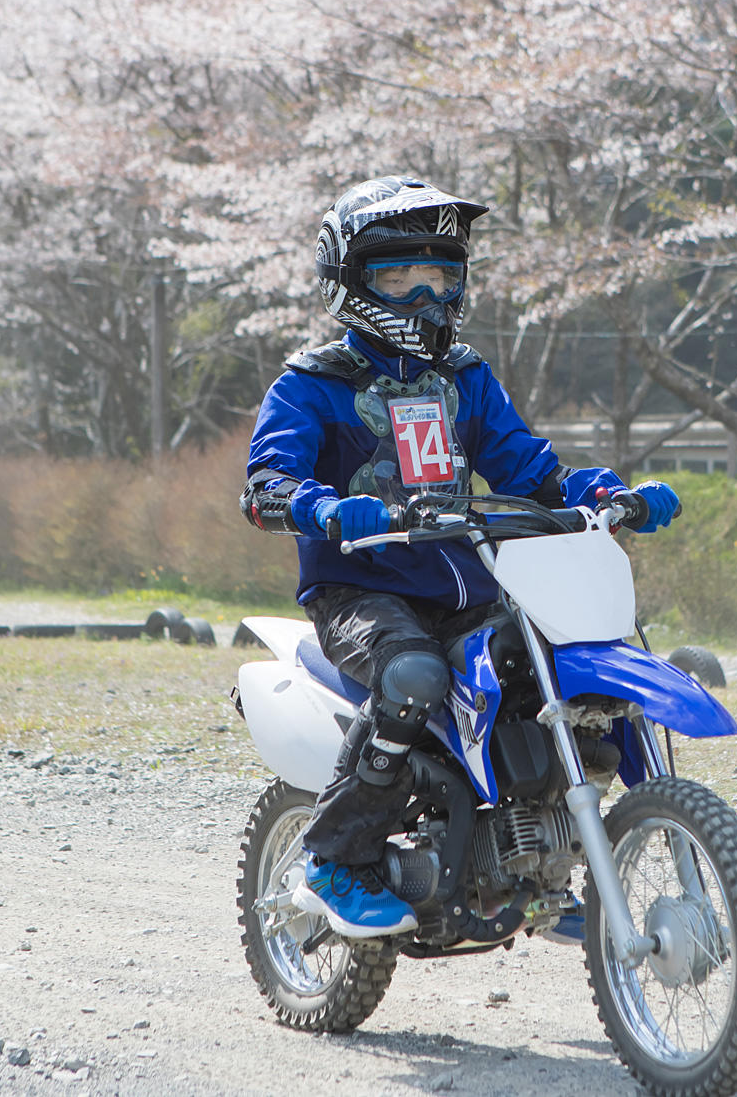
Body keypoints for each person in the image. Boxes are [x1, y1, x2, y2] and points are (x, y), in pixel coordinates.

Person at [241, 174, 682, 937]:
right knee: (414, 675)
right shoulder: (312, 384)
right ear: (350, 279)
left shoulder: (466, 378)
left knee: (567, 666)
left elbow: (531, 473)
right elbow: (264, 485)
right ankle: (335, 857)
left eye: (442, 276)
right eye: (401, 277)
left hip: (473, 579)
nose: (427, 298)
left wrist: (607, 490)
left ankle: (539, 856)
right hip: (360, 589)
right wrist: (324, 507)